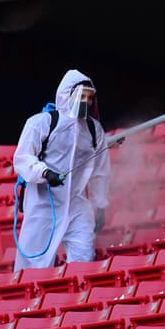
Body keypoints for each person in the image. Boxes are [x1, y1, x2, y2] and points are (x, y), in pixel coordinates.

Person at [13, 69, 111, 271]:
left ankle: (75, 295)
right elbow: (23, 157)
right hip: (43, 204)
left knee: (83, 255)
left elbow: (101, 170)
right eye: (82, 96)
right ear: (67, 95)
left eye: (89, 97)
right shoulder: (41, 123)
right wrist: (45, 174)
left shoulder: (94, 130)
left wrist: (100, 205)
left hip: (76, 204)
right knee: (32, 265)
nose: (86, 102)